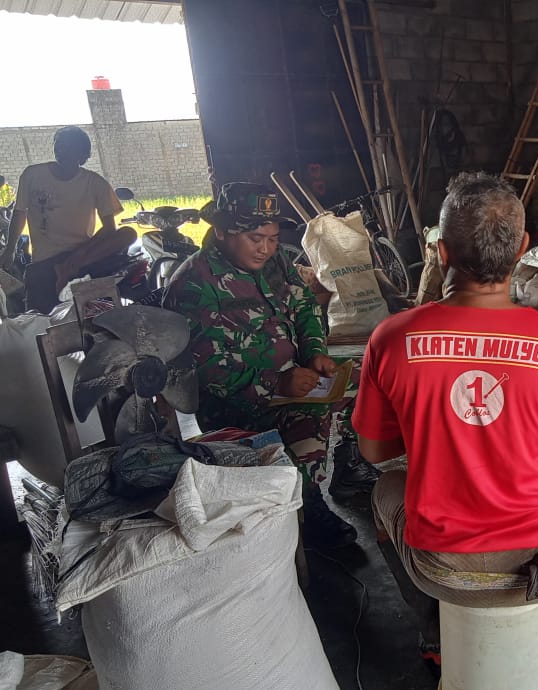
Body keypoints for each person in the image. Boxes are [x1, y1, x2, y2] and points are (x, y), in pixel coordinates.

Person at [352, 172, 538, 680]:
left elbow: (375, 450)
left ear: (440, 252)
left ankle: (435, 636)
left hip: (438, 568)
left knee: (384, 491)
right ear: (523, 249)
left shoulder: (391, 337)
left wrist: (430, 425)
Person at [162, 182, 380, 550]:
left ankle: (349, 466)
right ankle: (309, 506)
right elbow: (204, 373)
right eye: (255, 237)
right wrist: (276, 384)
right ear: (222, 232)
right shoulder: (194, 283)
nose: (266, 247)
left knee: (370, 379)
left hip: (297, 379)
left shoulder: (275, 262)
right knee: (309, 434)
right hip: (237, 406)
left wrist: (314, 351)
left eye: (273, 238)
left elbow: (304, 307)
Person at [0, 126, 136, 313]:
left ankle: (68, 266)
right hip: (45, 260)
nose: (62, 150)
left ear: (83, 154)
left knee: (129, 233)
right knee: (40, 321)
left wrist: (79, 256)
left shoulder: (95, 183)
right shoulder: (32, 175)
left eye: (69, 147)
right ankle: (65, 267)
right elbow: (19, 212)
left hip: (82, 254)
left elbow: (110, 229)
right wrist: (9, 249)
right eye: (59, 144)